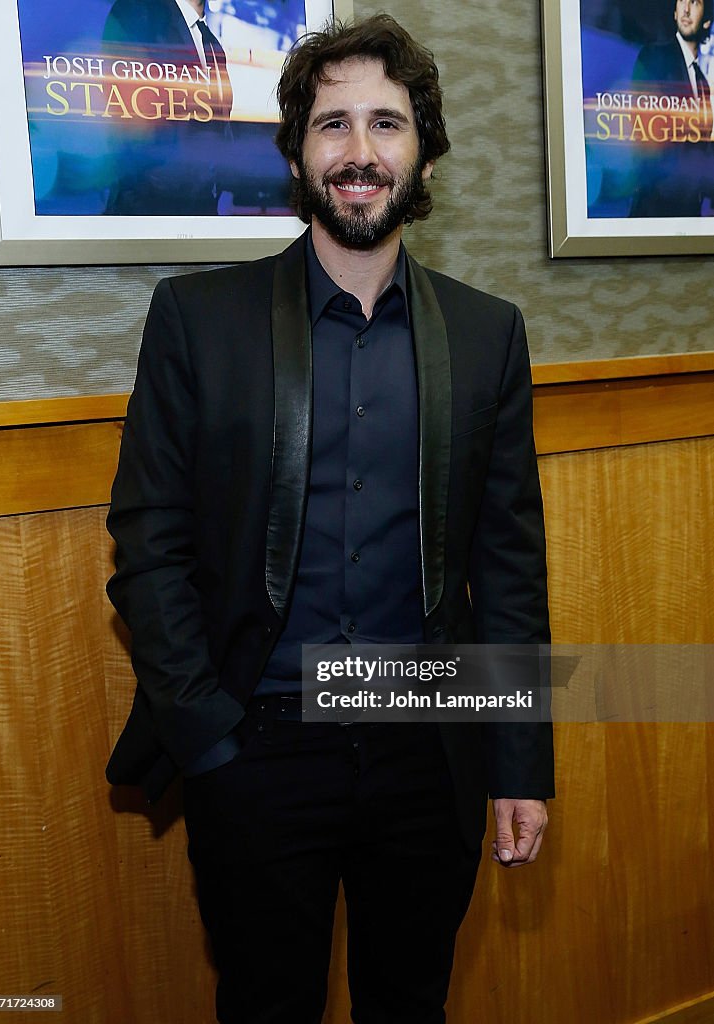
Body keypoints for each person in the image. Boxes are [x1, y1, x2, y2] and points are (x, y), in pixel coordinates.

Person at [105, 14, 554, 1023]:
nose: (359, 152)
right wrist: (210, 743)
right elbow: (147, 546)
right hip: (254, 751)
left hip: (426, 751)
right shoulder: (195, 320)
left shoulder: (490, 336)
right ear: (298, 154)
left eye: (386, 125)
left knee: (411, 1002)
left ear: (422, 154)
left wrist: (518, 762)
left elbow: (508, 567)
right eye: (333, 125)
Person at [102, 0, 233, 214]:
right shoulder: (138, 11)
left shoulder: (212, 44)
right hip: (147, 215)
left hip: (204, 213)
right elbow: (125, 121)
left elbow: (221, 126)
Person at [630, 0, 712, 216]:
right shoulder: (653, 56)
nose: (686, 9)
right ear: (675, 12)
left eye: (694, 2)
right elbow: (642, 135)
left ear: (707, 21)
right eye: (681, 1)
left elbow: (703, 149)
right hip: (654, 209)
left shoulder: (703, 83)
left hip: (689, 213)